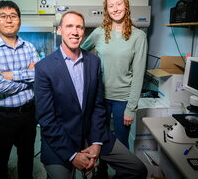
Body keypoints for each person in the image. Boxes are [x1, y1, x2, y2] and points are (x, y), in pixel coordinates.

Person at [34, 11, 147, 179]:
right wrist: (73, 156)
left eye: (79, 27)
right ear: (59, 30)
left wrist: (96, 142)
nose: (75, 31)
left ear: (83, 32)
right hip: (61, 137)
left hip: (93, 132)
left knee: (137, 169)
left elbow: (98, 105)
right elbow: (46, 119)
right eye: (69, 26)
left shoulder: (93, 62)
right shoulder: (44, 67)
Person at [81, 0, 147, 179]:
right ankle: (101, 172)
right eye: (111, 6)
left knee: (121, 143)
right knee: (99, 140)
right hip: (99, 98)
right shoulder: (99, 33)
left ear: (125, 6)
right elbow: (80, 52)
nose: (115, 8)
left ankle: (121, 175)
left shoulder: (138, 36)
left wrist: (131, 108)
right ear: (106, 10)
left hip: (123, 100)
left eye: (118, 4)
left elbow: (139, 74)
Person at [0, 0, 39, 179]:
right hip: (0, 118)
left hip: (27, 115)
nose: (9, 20)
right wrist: (27, 76)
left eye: (13, 16)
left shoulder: (29, 47)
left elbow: (40, 76)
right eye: (3, 16)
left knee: (26, 164)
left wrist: (10, 75)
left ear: (19, 20)